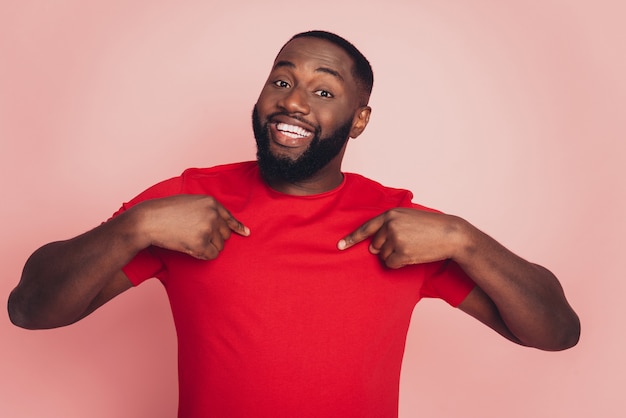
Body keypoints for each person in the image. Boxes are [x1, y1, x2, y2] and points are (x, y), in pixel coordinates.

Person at [8, 30, 580, 417]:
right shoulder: (186, 203)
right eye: (281, 81)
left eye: (323, 90)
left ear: (358, 120)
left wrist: (463, 238)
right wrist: (133, 227)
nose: (294, 101)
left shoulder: (400, 226)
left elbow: (556, 331)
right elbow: (30, 309)